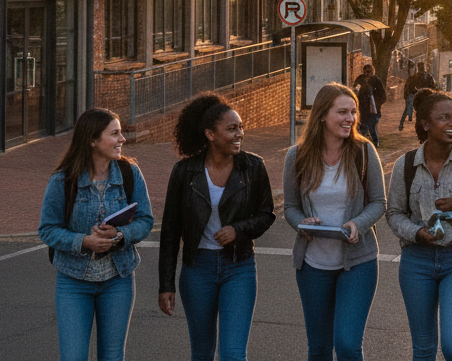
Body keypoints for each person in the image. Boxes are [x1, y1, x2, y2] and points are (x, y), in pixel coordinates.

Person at [158, 94, 275, 361]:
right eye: (232, 128)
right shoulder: (184, 172)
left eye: (241, 127)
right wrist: (166, 284)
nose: (239, 134)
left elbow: (266, 214)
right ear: (210, 134)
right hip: (197, 269)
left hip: (239, 266)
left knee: (233, 354)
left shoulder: (253, 166)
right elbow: (170, 231)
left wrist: (239, 230)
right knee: (202, 353)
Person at [385, 88, 452, 361]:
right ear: (426, 124)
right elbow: (394, 213)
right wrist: (417, 232)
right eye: (444, 117)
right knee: (423, 350)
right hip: (416, 261)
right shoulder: (405, 164)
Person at [38, 108, 154, 361]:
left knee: (112, 356)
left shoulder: (129, 174)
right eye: (115, 133)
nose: (122, 139)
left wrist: (121, 234)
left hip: (118, 279)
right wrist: (84, 241)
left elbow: (145, 220)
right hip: (73, 282)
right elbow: (47, 229)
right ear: (92, 140)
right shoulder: (63, 180)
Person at [283, 82, 385, 361]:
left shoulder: (364, 152)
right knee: (318, 347)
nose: (350, 118)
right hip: (313, 264)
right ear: (322, 116)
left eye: (353, 112)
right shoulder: (297, 156)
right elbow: (290, 207)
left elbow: (379, 203)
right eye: (342, 112)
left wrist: (358, 224)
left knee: (348, 345)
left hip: (358, 261)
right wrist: (302, 223)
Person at [352, 64, 385, 147]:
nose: (367, 74)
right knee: (361, 127)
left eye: (369, 72)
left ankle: (375, 143)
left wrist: (376, 104)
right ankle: (361, 144)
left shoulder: (376, 80)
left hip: (373, 109)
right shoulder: (360, 79)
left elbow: (383, 96)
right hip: (362, 108)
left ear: (372, 72)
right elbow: (355, 89)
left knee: (372, 127)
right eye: (365, 72)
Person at [399, 64, 417, 132]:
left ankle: (409, 120)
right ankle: (402, 124)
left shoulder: (413, 78)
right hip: (410, 95)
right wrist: (406, 95)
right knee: (407, 110)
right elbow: (407, 88)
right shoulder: (410, 79)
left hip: (412, 95)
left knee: (410, 109)